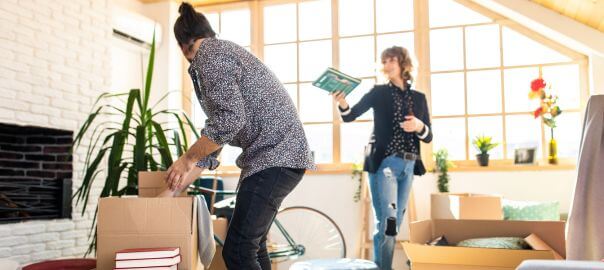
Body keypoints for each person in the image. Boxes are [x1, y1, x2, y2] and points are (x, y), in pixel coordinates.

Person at [166, 2, 315, 269]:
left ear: (181, 46)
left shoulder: (209, 57)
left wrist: (186, 159)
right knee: (252, 247)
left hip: (275, 156)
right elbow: (220, 129)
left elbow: (228, 121)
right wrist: (180, 180)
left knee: (237, 250)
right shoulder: (220, 52)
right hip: (278, 155)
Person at [332, 46, 432, 270]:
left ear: (403, 63)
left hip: (409, 165)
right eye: (383, 62)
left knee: (394, 226)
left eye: (391, 61)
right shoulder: (379, 93)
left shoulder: (418, 98)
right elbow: (350, 116)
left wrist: (419, 125)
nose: (386, 66)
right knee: (388, 223)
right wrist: (342, 102)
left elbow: (428, 136)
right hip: (385, 164)